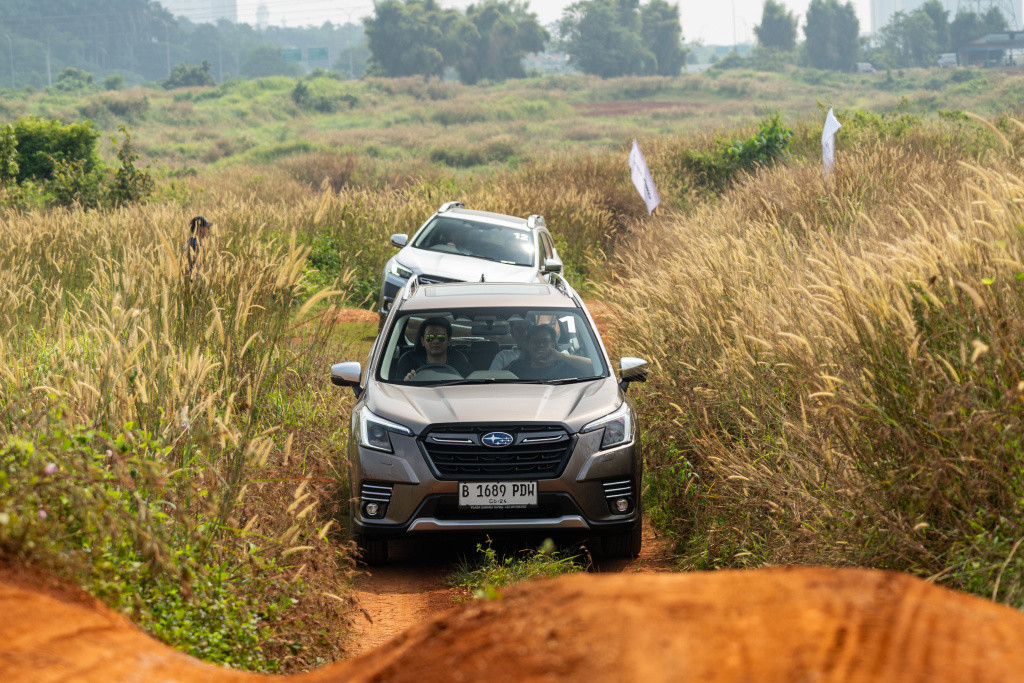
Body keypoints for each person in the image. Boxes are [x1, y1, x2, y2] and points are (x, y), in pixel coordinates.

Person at [396, 316, 472, 380]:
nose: (435, 341)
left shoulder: (460, 362)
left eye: (441, 337)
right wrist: (406, 383)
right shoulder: (408, 362)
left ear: (449, 341)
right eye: (430, 337)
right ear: (423, 341)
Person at [507, 324, 577, 380]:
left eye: (545, 341)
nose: (540, 345)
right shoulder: (517, 368)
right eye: (535, 341)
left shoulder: (564, 367)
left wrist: (560, 356)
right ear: (528, 345)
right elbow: (499, 375)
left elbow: (588, 368)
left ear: (553, 345)